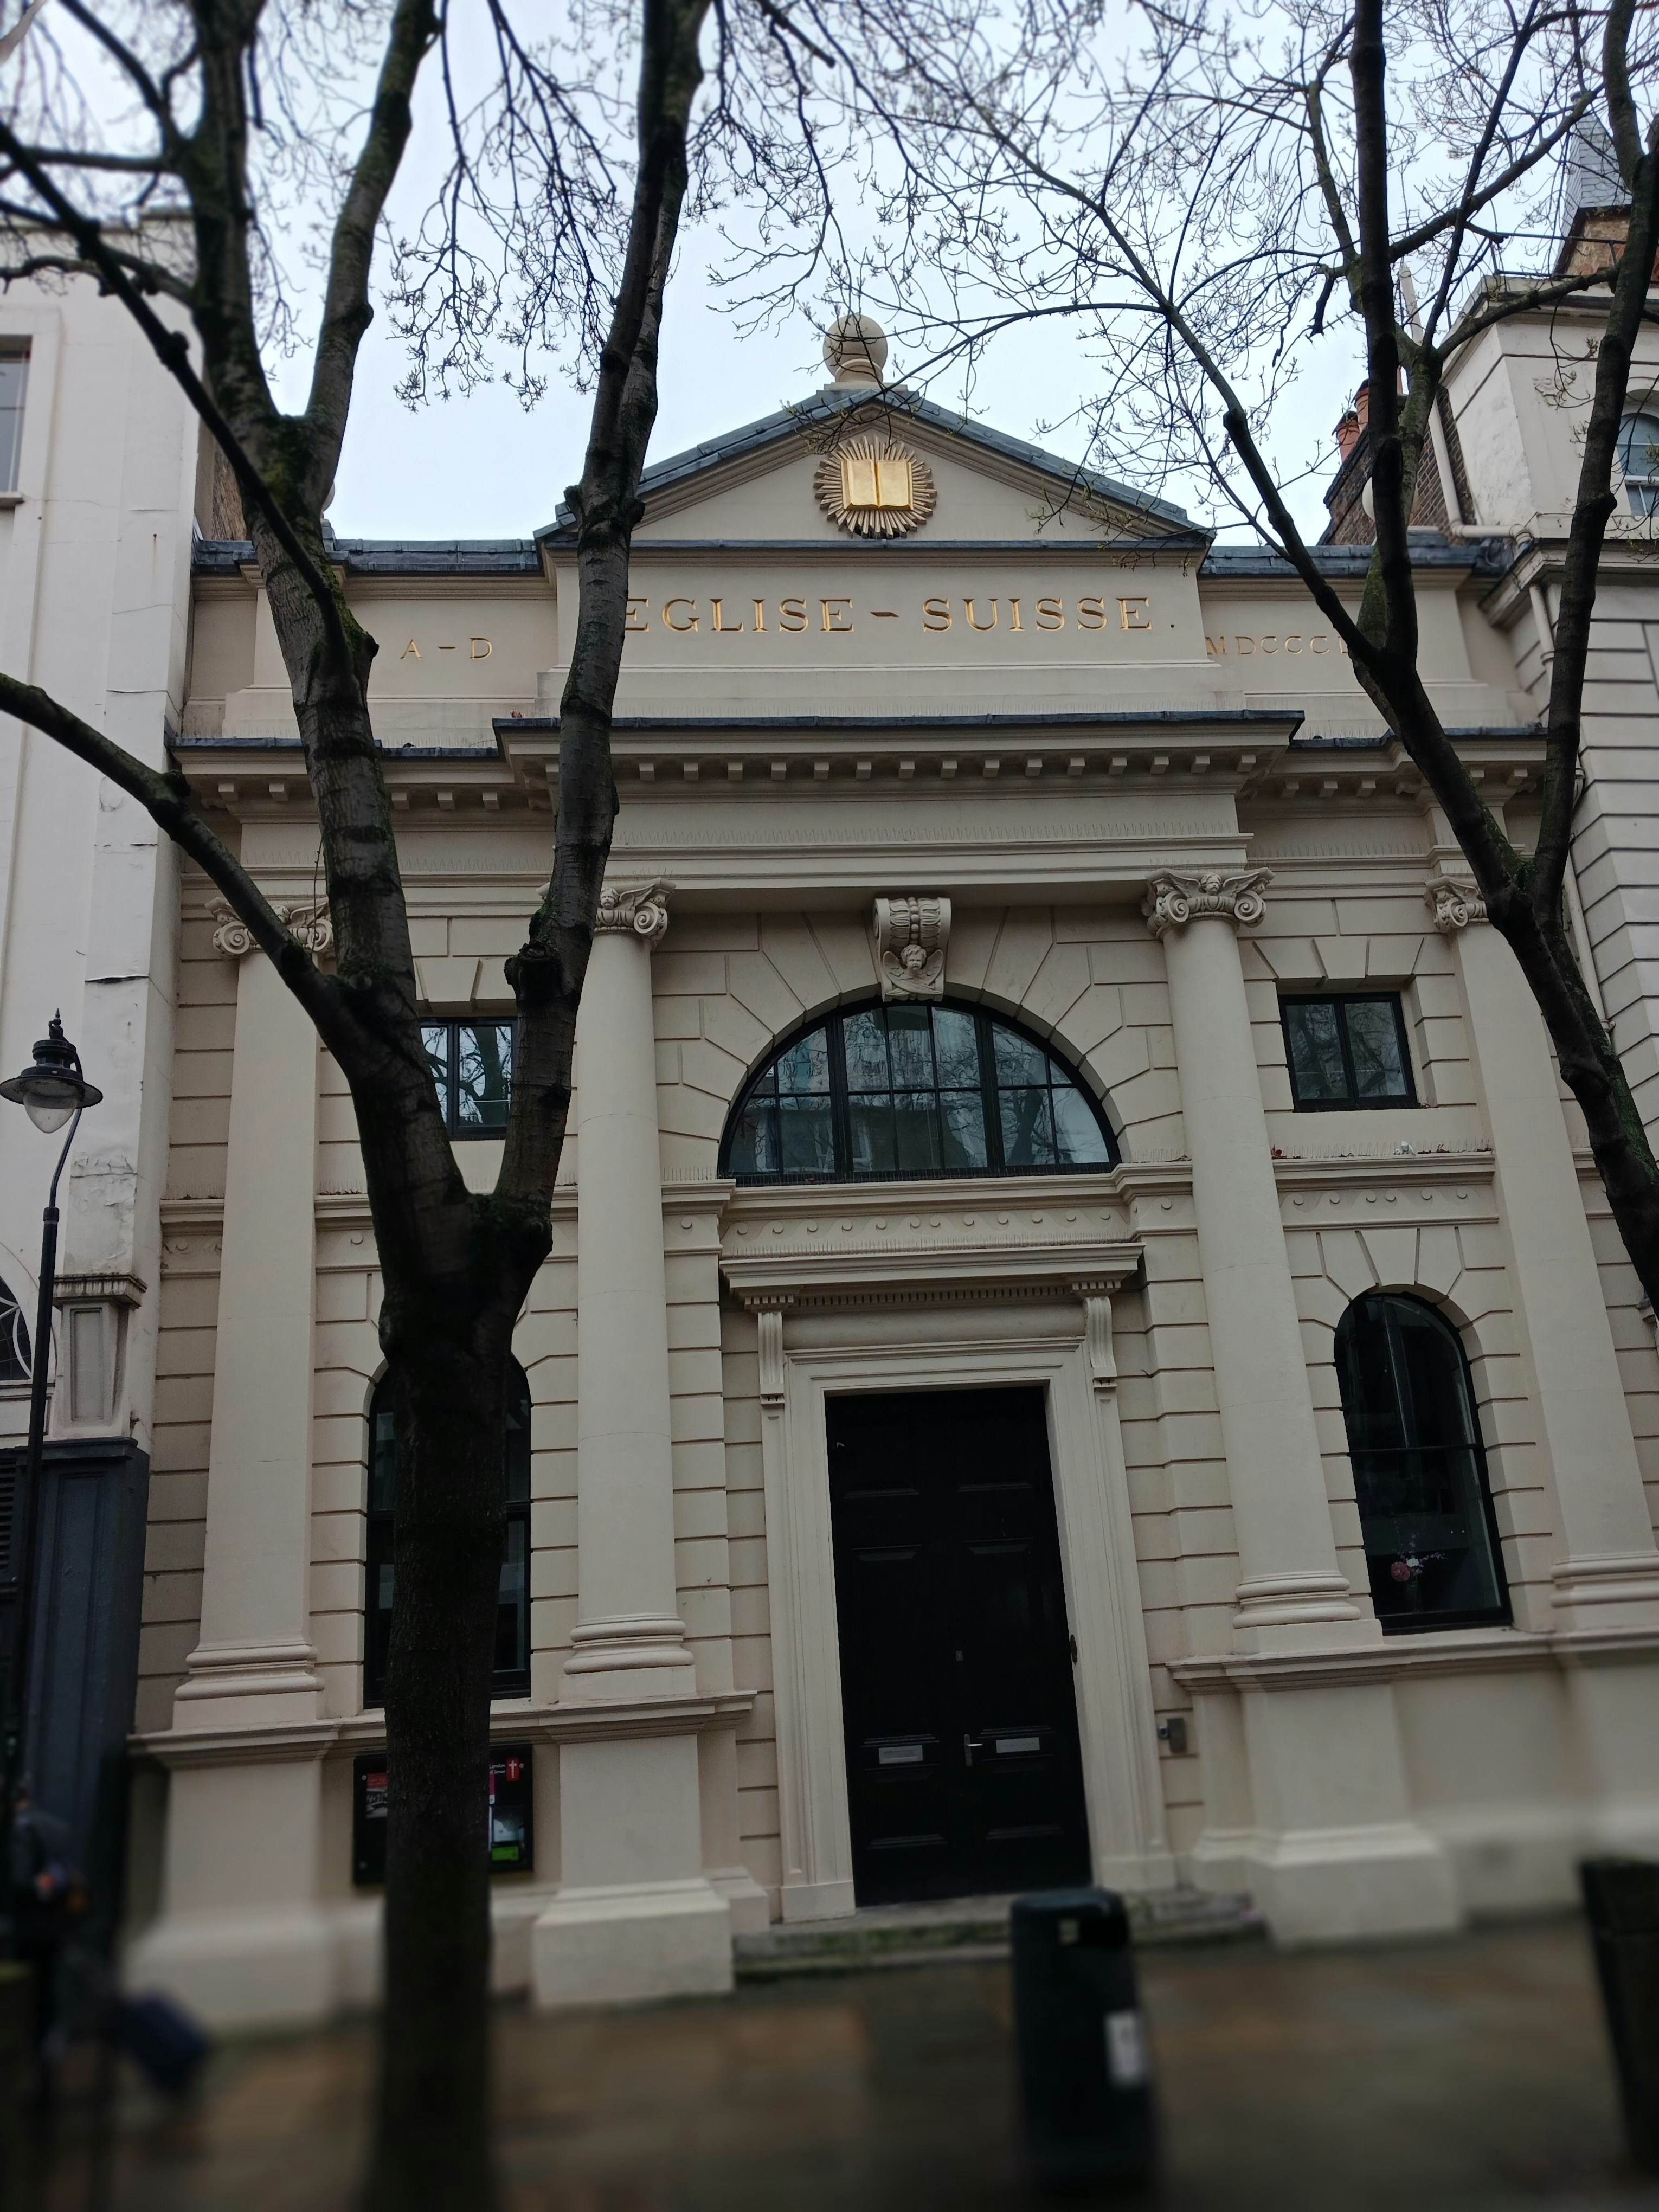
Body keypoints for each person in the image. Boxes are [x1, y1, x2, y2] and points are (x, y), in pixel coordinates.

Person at [7, 1781, 84, 2101]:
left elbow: (20, 1880)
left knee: (25, 2001)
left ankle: (30, 2074)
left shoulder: (20, 1829)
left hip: (26, 1930)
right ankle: (48, 2068)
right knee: (49, 1999)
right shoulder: (56, 1827)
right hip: (55, 1926)